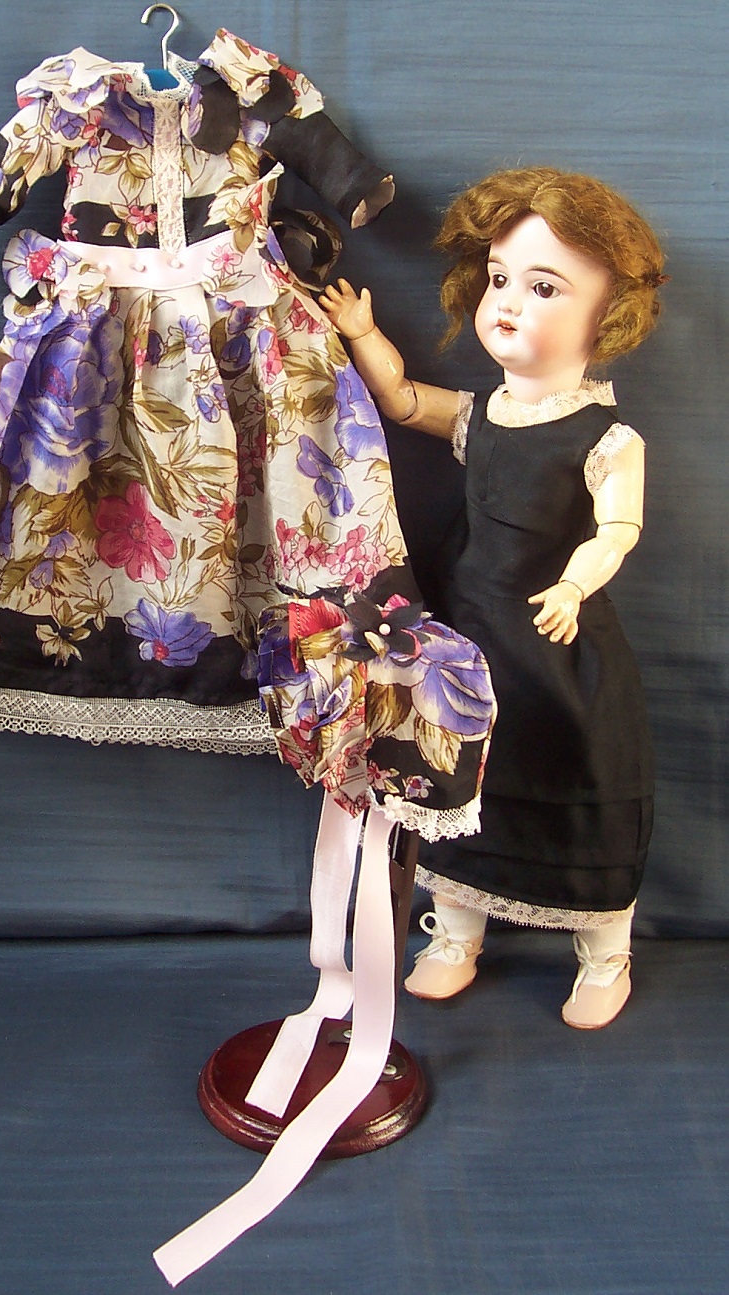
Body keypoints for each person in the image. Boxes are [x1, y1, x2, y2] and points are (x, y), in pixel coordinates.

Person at [320, 167, 666, 1028]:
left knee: (578, 782)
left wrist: (574, 585)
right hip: (469, 644)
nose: (507, 301)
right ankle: (455, 931)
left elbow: (618, 531)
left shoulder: (608, 438)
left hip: (558, 650)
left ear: (610, 312)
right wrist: (364, 333)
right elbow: (404, 400)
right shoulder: (484, 415)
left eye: (545, 287)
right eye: (501, 278)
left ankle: (604, 952)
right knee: (463, 783)